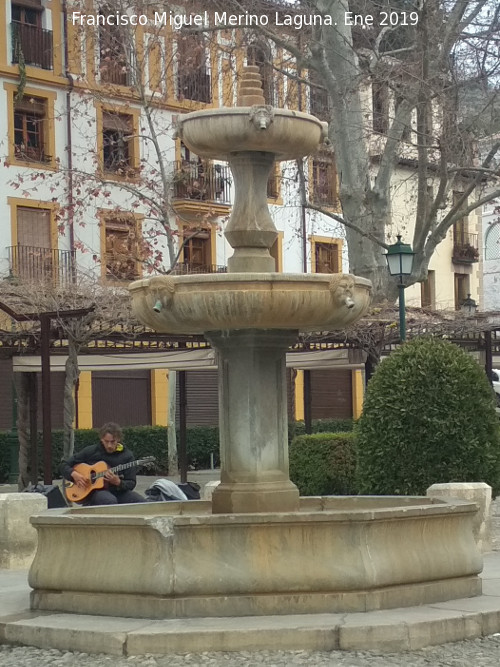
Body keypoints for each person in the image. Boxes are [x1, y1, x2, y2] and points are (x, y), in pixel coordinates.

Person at [61, 422, 145, 505]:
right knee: (108, 500)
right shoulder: (91, 451)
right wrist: (74, 474)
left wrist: (118, 482)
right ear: (101, 439)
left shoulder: (127, 456)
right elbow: (64, 465)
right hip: (96, 492)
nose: (109, 445)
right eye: (106, 441)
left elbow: (131, 483)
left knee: (142, 503)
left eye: (113, 442)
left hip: (119, 491)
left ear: (118, 439)